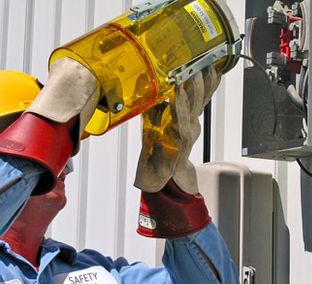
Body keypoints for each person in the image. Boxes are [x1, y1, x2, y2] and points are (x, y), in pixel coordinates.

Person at [0, 59, 239, 283]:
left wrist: (176, 198)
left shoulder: (96, 273)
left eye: (61, 154)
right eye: (45, 145)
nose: (58, 165)